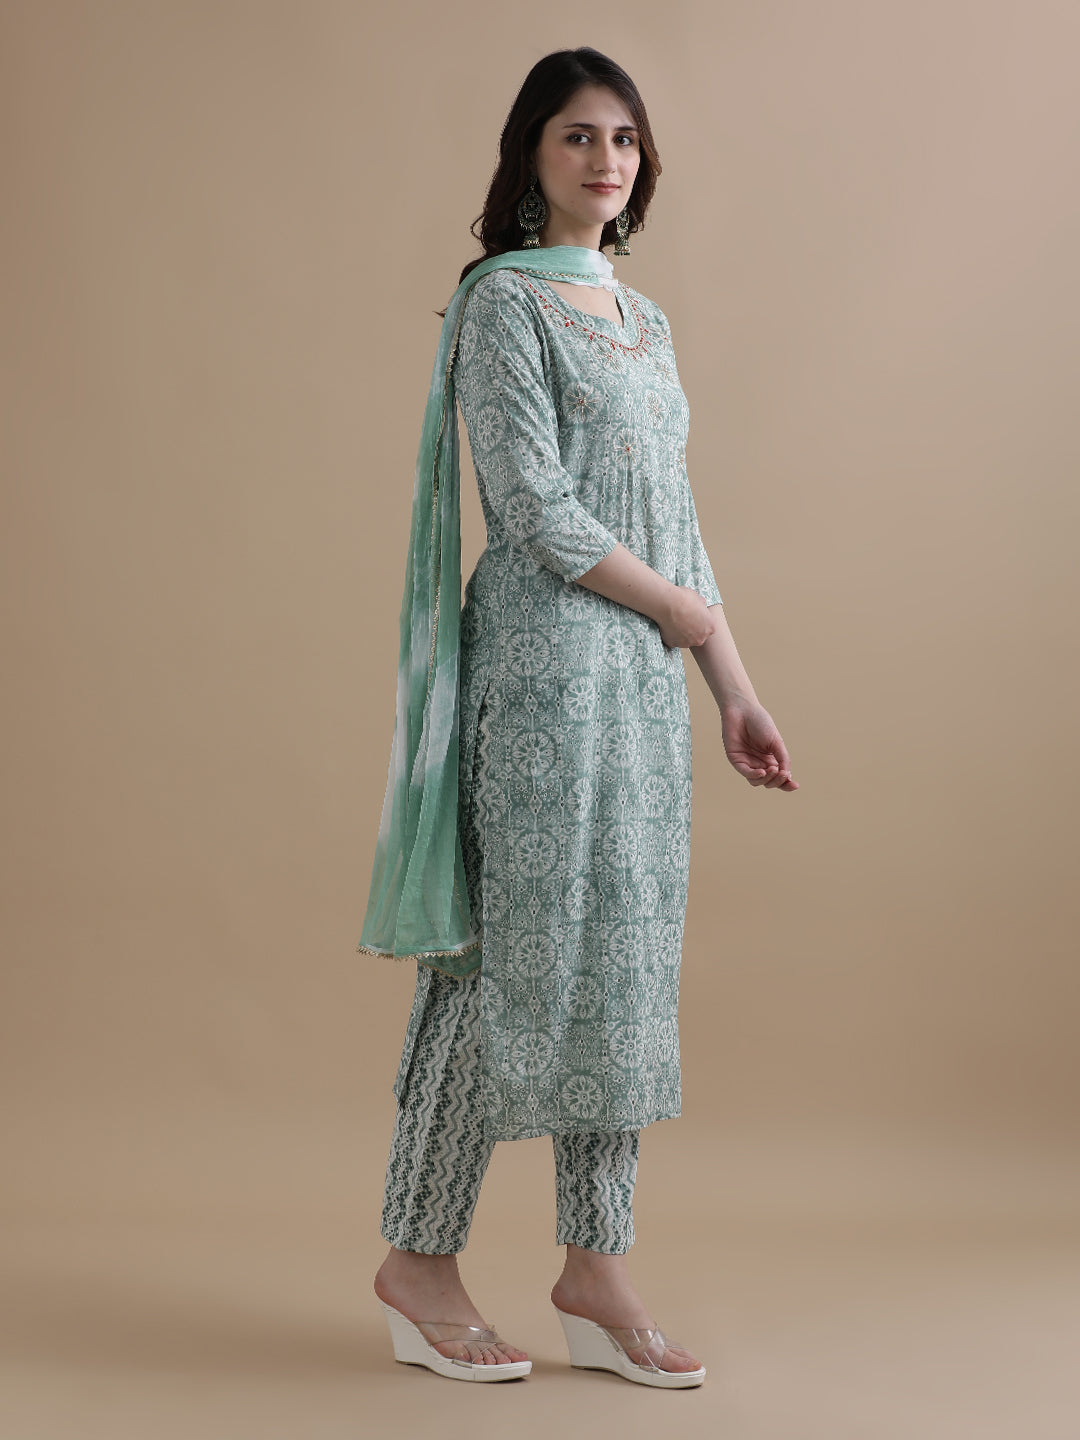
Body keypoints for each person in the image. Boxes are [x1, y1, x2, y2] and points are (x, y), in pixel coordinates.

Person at [362, 47, 798, 1387]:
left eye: (624, 138)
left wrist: (733, 685)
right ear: (530, 158)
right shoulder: (502, 304)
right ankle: (418, 1261)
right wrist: (676, 611)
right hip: (543, 676)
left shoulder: (643, 321)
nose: (606, 159)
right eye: (576, 136)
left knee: (625, 962)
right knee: (502, 960)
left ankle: (594, 1266)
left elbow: (677, 518)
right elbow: (535, 508)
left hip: (643, 692)